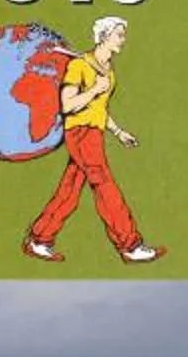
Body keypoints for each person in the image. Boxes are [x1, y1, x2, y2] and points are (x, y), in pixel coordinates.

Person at [24, 16, 160, 263]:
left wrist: (118, 132)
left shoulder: (108, 71)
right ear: (104, 37)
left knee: (70, 190)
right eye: (119, 34)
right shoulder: (79, 66)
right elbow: (67, 105)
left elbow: (100, 109)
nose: (123, 39)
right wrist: (95, 89)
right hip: (80, 132)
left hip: (94, 132)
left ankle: (39, 239)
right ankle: (130, 245)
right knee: (105, 185)